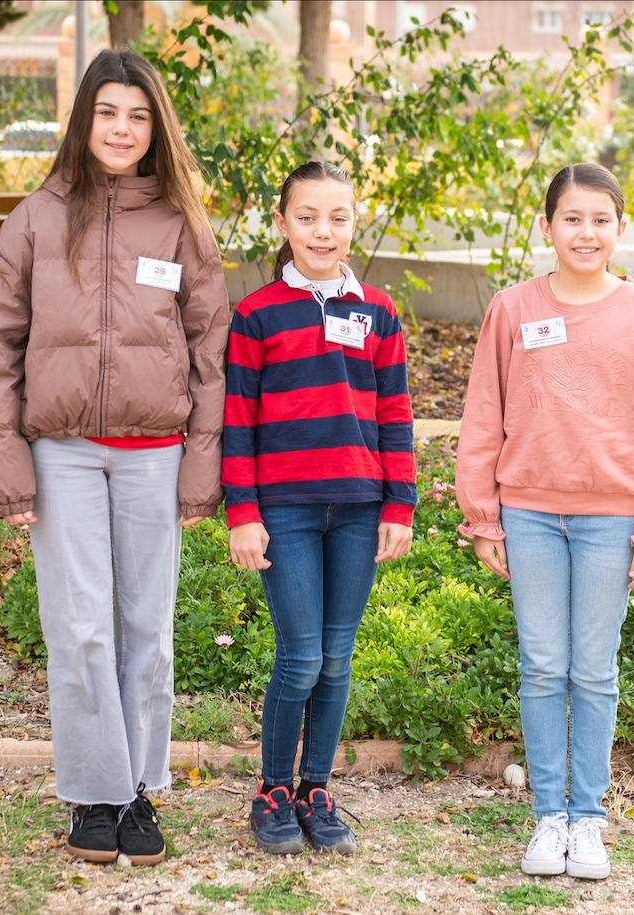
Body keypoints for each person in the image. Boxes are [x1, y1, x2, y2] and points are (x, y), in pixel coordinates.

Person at [0, 48, 228, 866]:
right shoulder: (37, 218)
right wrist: (6, 456)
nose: (121, 129)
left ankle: (139, 788)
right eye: (107, 113)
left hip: (155, 453)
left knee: (146, 629)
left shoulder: (182, 221)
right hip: (65, 454)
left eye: (138, 115)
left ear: (156, 127)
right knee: (80, 627)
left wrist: (201, 462)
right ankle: (93, 794)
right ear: (83, 121)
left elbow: (210, 350)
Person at [455, 163, 634, 880]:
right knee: (541, 666)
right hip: (528, 511)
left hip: (609, 518)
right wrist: (484, 516)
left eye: (600, 220)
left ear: (620, 229)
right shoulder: (511, 307)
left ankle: (588, 819)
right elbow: (483, 415)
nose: (585, 233)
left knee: (592, 670)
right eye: (571, 218)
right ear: (546, 226)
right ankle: (548, 818)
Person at [223, 161, 417, 856]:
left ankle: (315, 788)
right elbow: (237, 421)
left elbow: (395, 414)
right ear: (282, 224)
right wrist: (241, 511)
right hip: (287, 512)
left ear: (354, 223)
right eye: (307, 217)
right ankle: (272, 788)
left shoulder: (378, 312)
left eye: (337, 217)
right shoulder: (256, 314)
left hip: (361, 509)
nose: (322, 230)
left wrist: (402, 503)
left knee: (337, 657)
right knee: (300, 657)